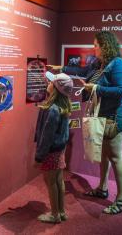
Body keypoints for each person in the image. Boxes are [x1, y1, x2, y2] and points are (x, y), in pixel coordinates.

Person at [49, 31, 122, 215]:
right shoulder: (99, 63)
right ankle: (102, 188)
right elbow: (83, 72)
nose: (95, 48)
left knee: (116, 157)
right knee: (103, 155)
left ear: (105, 46)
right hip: (100, 114)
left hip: (114, 117)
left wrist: (97, 88)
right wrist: (61, 68)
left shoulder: (117, 64)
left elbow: (121, 91)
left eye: (96, 45)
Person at [34, 72, 74, 223]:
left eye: (51, 82)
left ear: (56, 89)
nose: (48, 83)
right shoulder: (62, 106)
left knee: (51, 182)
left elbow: (46, 136)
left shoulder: (52, 110)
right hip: (59, 150)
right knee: (59, 180)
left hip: (50, 152)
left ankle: (54, 215)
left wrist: (39, 156)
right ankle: (61, 212)